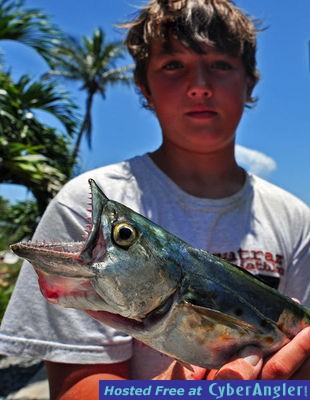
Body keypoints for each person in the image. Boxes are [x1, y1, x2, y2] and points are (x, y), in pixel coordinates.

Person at [1, 0, 310, 398]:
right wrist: (168, 395)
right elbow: (77, 386)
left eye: (220, 64)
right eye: (173, 65)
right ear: (144, 86)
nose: (199, 84)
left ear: (249, 82)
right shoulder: (81, 203)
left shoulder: (294, 217)